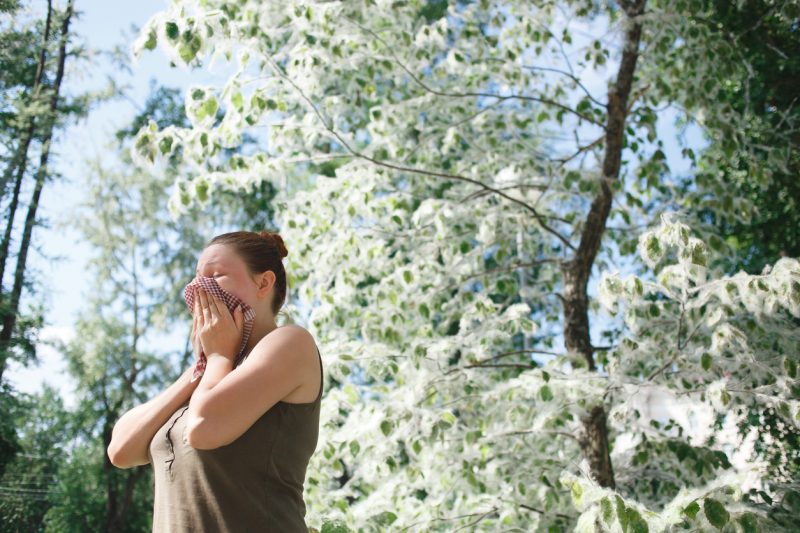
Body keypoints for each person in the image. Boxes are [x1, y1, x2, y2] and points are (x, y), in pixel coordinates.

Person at [107, 230, 323, 532]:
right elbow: (121, 451)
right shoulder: (209, 375)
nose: (200, 288)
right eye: (197, 278)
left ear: (263, 283)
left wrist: (220, 356)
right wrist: (200, 368)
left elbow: (203, 429)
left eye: (217, 276)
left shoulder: (290, 343)